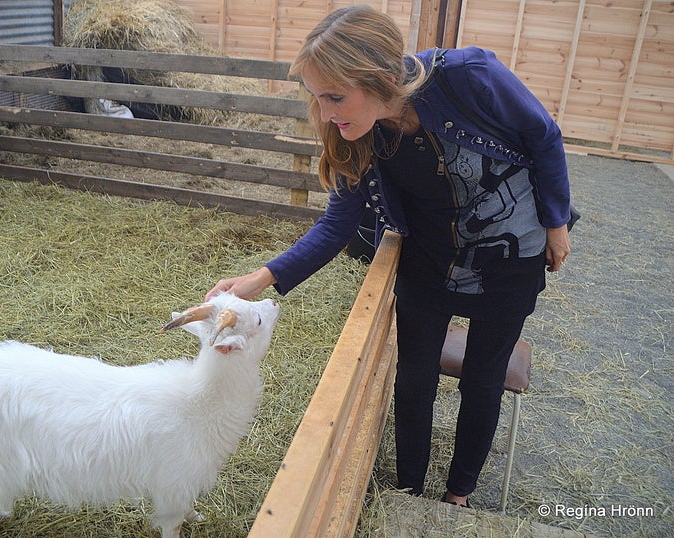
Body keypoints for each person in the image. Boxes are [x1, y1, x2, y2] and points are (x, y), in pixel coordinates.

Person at [206, 4, 572, 507]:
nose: (327, 112)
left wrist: (556, 223)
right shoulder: (357, 133)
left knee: (484, 380)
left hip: (511, 257)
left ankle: (458, 493)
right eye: (317, 97)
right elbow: (338, 223)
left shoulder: (470, 76)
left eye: (335, 96)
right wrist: (262, 277)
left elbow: (544, 136)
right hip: (428, 260)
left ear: (378, 77)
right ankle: (410, 490)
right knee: (414, 378)